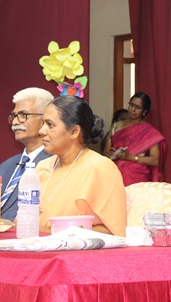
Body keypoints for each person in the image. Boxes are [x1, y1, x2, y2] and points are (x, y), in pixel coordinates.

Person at [36, 96, 127, 236]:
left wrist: (53, 233)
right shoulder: (42, 167)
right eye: (42, 123)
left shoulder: (100, 168)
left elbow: (114, 231)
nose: (41, 131)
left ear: (74, 131)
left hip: (74, 249)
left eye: (50, 124)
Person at [0, 87, 54, 222]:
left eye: (23, 115)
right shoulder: (6, 166)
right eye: (14, 116)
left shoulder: (54, 163)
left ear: (45, 119)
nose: (15, 122)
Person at [102, 92, 166, 186]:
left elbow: (155, 160)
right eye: (131, 105)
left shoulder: (149, 131)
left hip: (136, 175)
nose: (133, 109)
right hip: (114, 171)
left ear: (144, 111)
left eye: (138, 107)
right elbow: (105, 153)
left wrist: (130, 157)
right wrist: (110, 154)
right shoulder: (116, 126)